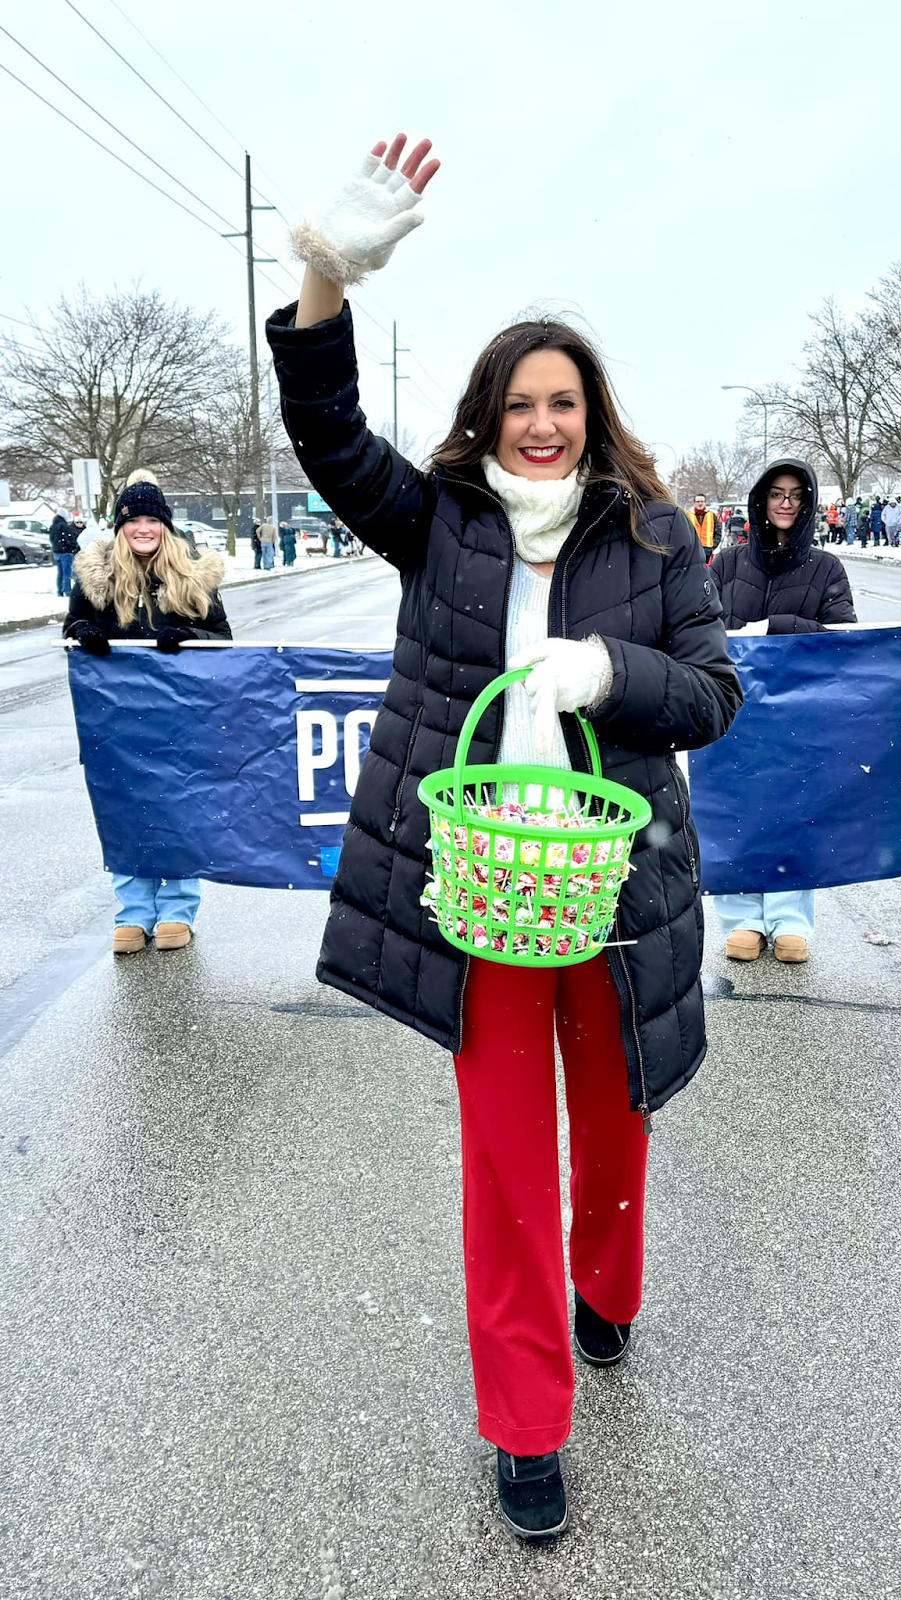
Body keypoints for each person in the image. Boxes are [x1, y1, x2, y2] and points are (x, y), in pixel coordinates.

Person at [268, 131, 743, 1542]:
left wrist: (614, 674)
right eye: (521, 403)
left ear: (593, 416)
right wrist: (318, 279)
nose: (543, 424)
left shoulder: (659, 540)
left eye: (565, 403)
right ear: (487, 415)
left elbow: (715, 694)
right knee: (502, 1161)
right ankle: (525, 1424)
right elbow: (329, 439)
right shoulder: (442, 525)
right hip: (479, 896)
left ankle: (610, 1291)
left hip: (613, 889)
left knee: (613, 1124)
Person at [62, 470, 232, 953]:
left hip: (179, 720)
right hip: (115, 722)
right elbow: (73, 625)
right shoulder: (97, 579)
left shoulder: (193, 577)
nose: (143, 528)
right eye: (133, 519)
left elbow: (225, 641)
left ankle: (177, 909)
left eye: (151, 520)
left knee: (177, 813)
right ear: (120, 526)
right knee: (124, 813)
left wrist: (189, 638)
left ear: (165, 526)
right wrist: (84, 632)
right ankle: (133, 912)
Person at [706, 458, 856, 964]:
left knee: (794, 812)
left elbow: (843, 637)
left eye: (795, 494)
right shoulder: (726, 564)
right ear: (761, 501)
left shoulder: (825, 568)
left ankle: (791, 920)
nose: (785, 503)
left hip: (799, 711)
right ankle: (744, 917)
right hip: (734, 705)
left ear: (809, 503)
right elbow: (698, 621)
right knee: (738, 811)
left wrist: (781, 625)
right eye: (776, 494)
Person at [48, 510, 79, 597]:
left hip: (56, 552)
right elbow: (70, 540)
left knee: (60, 572)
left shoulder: (53, 526)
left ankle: (60, 590)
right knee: (67, 573)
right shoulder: (64, 527)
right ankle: (67, 590)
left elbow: (52, 539)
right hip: (66, 552)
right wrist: (73, 546)